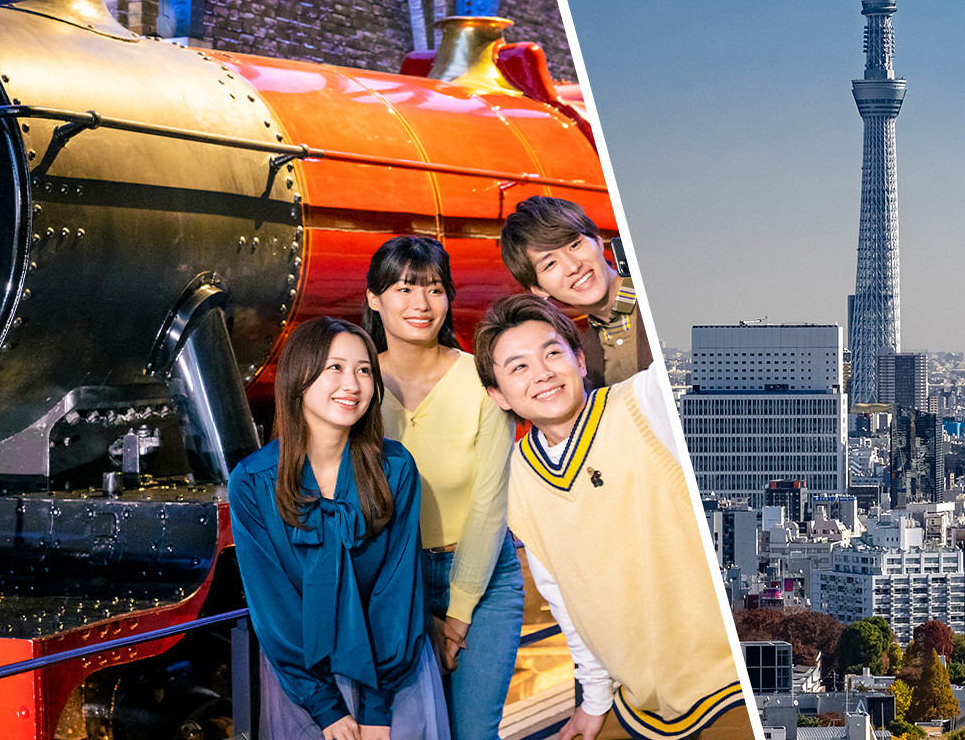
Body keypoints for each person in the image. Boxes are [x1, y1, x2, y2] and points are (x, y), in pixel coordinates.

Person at [473, 294, 749, 740]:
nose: (541, 373)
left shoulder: (641, 405)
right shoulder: (517, 478)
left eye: (552, 353)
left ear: (580, 361)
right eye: (518, 367)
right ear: (498, 395)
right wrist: (594, 699)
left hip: (728, 683)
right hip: (637, 699)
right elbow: (563, 599)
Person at [228, 317, 448, 740]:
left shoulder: (395, 467)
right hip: (306, 682)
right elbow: (273, 606)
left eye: (364, 370)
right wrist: (326, 707)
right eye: (335, 368)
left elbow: (396, 591)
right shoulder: (253, 481)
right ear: (299, 378)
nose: (352, 383)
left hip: (391, 675)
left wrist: (376, 708)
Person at [364, 235, 523, 740]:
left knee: (474, 732)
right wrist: (410, 605)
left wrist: (455, 615)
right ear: (374, 298)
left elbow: (489, 503)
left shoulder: (480, 380)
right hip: (392, 581)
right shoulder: (356, 386)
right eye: (405, 288)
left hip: (482, 578)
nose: (421, 304)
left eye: (434, 289)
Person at [498, 196, 651, 388]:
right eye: (550, 264)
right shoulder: (582, 361)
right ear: (539, 289)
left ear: (597, 240)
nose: (572, 266)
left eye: (574, 245)